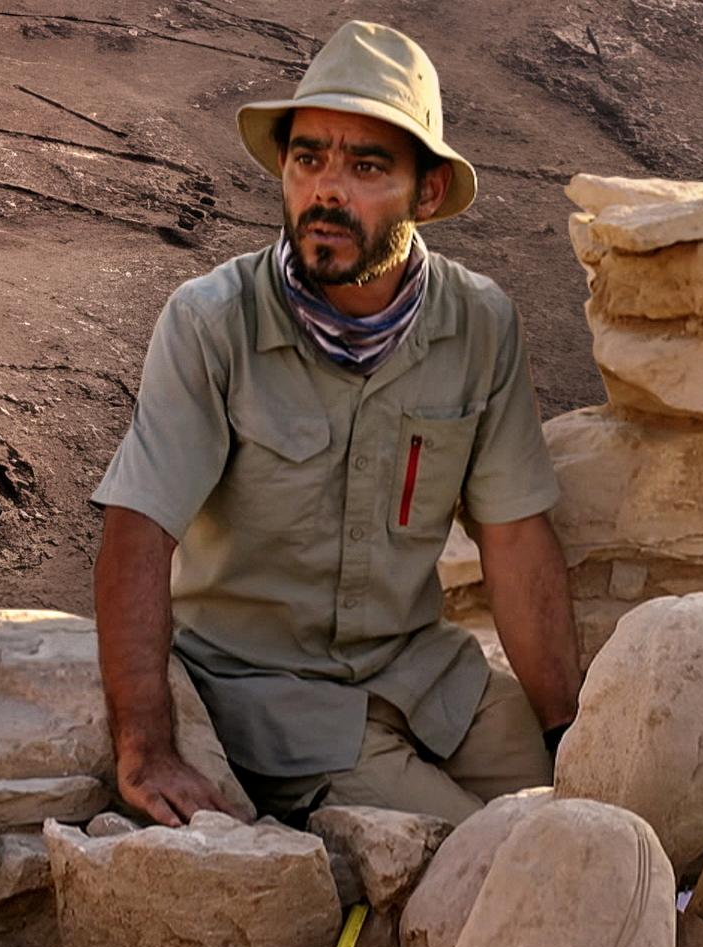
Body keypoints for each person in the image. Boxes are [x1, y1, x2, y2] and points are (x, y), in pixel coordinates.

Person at [89, 21, 581, 828]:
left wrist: (564, 727)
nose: (326, 190)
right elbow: (138, 530)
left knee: (581, 803)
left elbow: (515, 537)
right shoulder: (214, 324)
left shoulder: (481, 324)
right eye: (309, 158)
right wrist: (146, 746)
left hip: (426, 676)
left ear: (427, 195)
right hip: (273, 699)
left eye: (366, 167)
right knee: (483, 850)